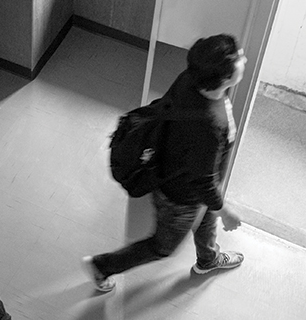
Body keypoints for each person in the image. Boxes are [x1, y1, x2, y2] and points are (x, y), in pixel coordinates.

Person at [83, 33, 247, 294]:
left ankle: (208, 259)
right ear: (224, 77)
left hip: (178, 175)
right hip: (181, 196)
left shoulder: (190, 80)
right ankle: (103, 266)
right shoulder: (208, 125)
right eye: (239, 58)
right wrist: (225, 211)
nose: (244, 58)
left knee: (206, 221)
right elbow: (203, 180)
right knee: (163, 246)